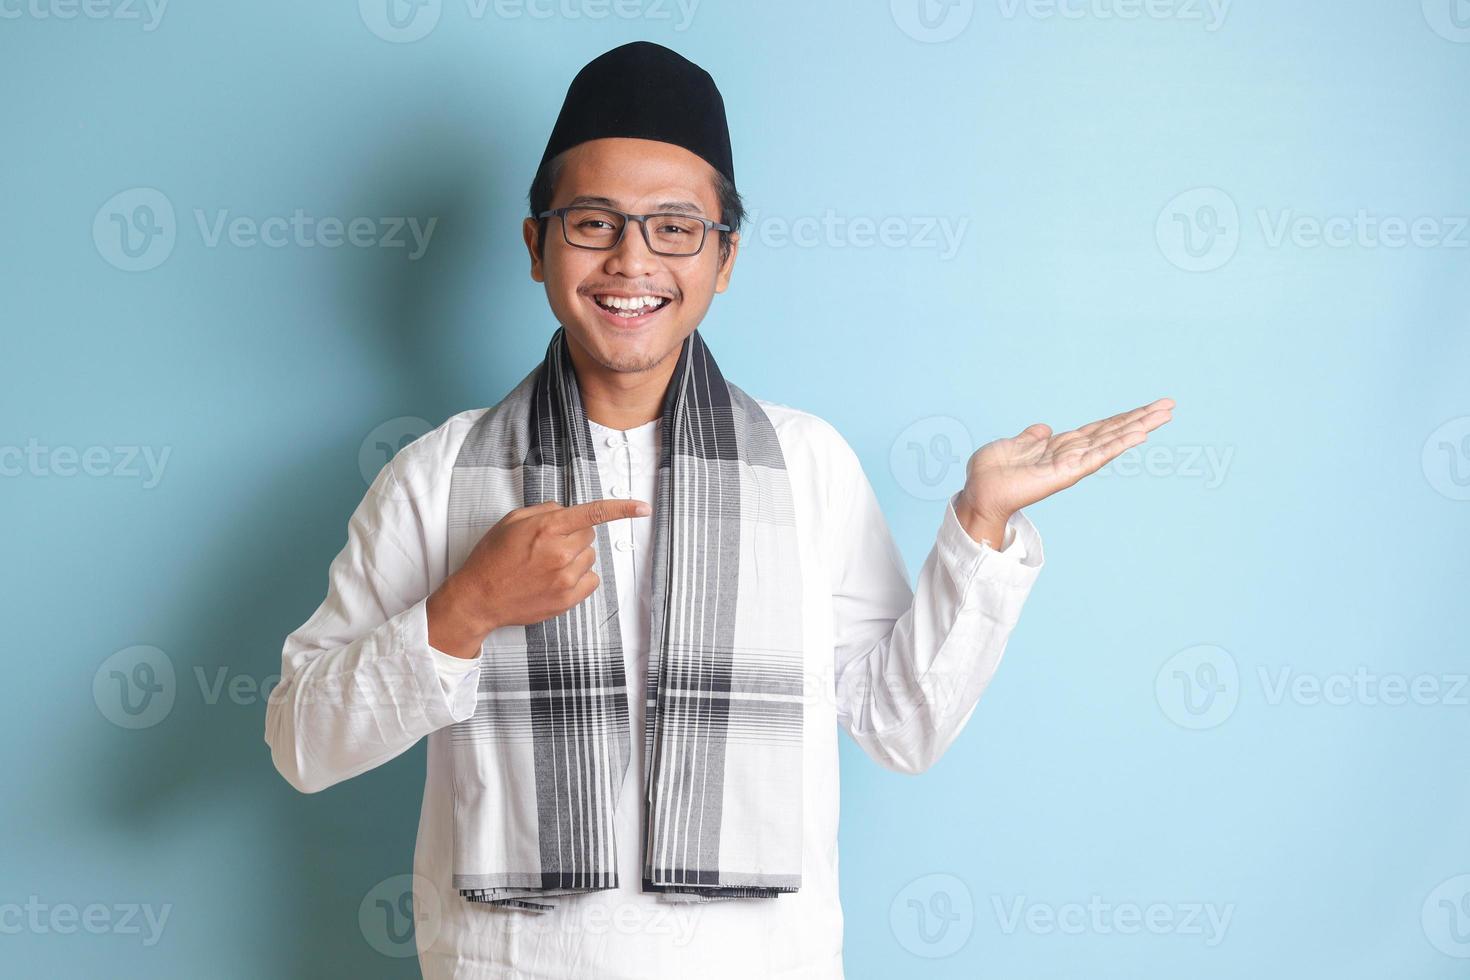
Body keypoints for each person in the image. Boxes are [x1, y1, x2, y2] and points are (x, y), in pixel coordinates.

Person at [263, 40, 1173, 979]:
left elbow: (902, 724)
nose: (631, 261)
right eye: (592, 223)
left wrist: (979, 523)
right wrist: (463, 612)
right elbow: (301, 743)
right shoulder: (436, 473)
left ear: (724, 257)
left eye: (674, 227)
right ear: (535, 244)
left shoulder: (805, 463)